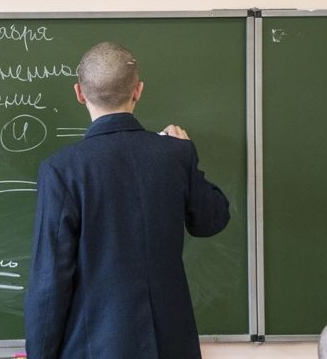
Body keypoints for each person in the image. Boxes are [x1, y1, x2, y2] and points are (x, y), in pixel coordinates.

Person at [24, 42, 230, 358]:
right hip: (171, 345)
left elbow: (50, 279)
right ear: (138, 90)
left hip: (95, 346)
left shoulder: (62, 169)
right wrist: (187, 153)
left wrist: (41, 354)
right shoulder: (175, 155)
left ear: (79, 93)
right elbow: (211, 221)